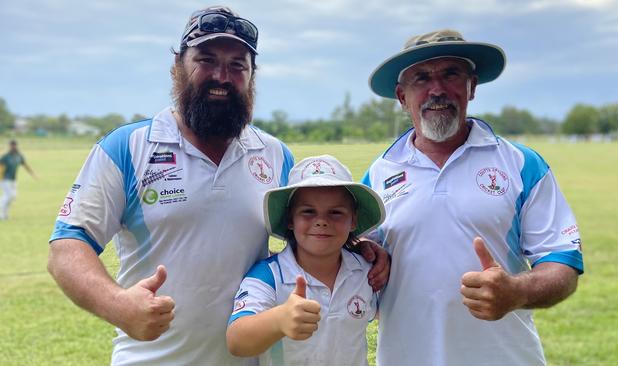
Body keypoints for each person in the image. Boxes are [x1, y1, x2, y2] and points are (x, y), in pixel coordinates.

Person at [46, 5, 389, 365]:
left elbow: (310, 231)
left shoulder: (274, 155)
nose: (222, 76)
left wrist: (359, 247)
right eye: (206, 60)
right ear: (178, 66)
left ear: (252, 76)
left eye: (238, 65)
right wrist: (119, 306)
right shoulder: (128, 147)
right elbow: (67, 248)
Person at [362, 29, 584, 365]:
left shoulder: (522, 164)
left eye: (451, 73)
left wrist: (516, 292)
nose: (437, 89)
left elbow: (563, 265)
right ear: (401, 96)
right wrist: (364, 254)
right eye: (421, 78)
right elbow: (354, 259)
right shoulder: (378, 174)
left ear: (472, 86)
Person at [226, 155, 385, 366]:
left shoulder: (366, 272)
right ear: (290, 219)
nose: (321, 221)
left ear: (353, 220)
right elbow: (236, 341)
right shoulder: (270, 275)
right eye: (308, 212)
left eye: (335, 212)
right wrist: (279, 319)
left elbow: (401, 310)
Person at [0, 139, 37, 220]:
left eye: (15, 145)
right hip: (4, 179)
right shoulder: (5, 157)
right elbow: (1, 168)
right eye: (12, 145)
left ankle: (5, 214)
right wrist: (1, 178)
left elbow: (25, 165)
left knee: (12, 197)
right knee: (9, 196)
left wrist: (32, 174)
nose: (14, 146)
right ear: (9, 146)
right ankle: (2, 214)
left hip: (13, 179)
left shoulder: (19, 156)